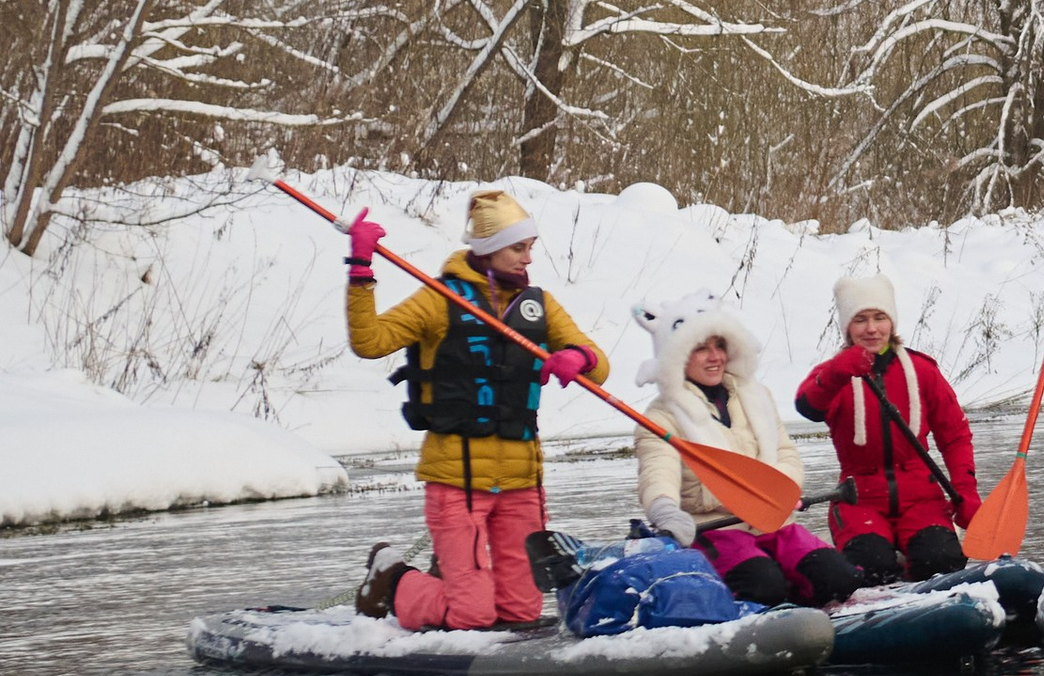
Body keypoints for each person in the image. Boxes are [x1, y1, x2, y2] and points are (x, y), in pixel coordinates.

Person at [343, 186, 603, 630]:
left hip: (523, 480)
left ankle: (454, 579)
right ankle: (392, 578)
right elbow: (370, 342)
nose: (528, 258)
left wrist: (580, 358)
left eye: (530, 247)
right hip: (456, 478)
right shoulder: (439, 299)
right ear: (489, 248)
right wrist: (361, 270)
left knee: (521, 612)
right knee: (473, 615)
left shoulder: (539, 305)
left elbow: (600, 365)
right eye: (518, 248)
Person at [631, 293, 862, 608]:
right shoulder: (660, 417)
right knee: (763, 584)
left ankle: (802, 608)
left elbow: (786, 454)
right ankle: (761, 605)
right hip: (711, 530)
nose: (715, 357)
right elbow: (658, 471)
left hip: (771, 523)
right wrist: (665, 510)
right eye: (701, 348)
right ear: (678, 356)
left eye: (719, 346)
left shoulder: (756, 396)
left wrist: (779, 489)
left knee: (839, 578)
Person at [795, 263, 982, 582]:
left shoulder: (922, 371)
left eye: (879, 317)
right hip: (858, 500)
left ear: (891, 322)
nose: (871, 329)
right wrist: (838, 373)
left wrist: (965, 491)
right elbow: (808, 406)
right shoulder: (833, 373)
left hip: (921, 499)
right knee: (872, 566)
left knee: (941, 560)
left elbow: (954, 436)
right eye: (860, 320)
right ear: (847, 327)